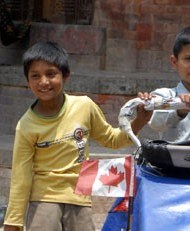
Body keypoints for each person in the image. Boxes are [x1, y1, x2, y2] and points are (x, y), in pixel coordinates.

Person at [3, 41, 151, 231]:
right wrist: (12, 222)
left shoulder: (84, 106)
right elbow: (20, 176)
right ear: (27, 81)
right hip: (43, 198)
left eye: (50, 74)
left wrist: (139, 121)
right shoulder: (26, 125)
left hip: (79, 196)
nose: (44, 82)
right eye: (35, 76)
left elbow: (112, 139)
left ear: (65, 76)